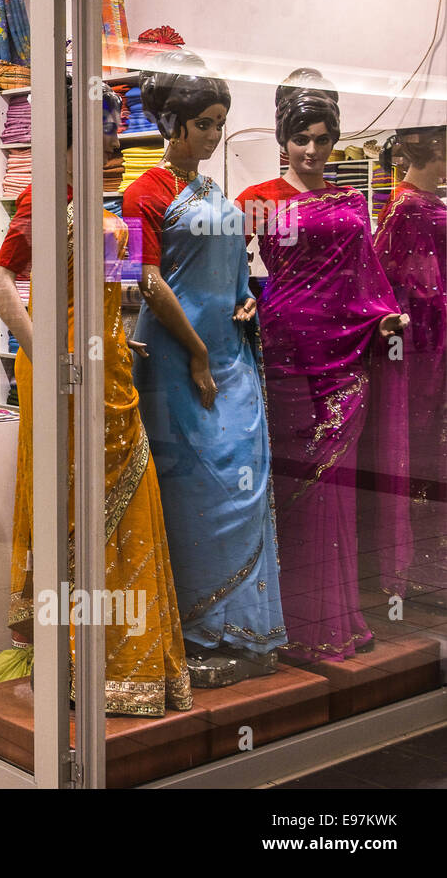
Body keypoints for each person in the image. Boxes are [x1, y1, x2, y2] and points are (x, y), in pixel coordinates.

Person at [0, 83, 192, 717]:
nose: (119, 132)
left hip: (111, 368)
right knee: (73, 502)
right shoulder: (43, 195)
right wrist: (50, 358)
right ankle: (74, 660)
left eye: (120, 121)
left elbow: (118, 289)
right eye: (107, 122)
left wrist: (125, 340)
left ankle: (126, 662)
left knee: (125, 501)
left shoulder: (108, 201)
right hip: (60, 364)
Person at [236, 70, 410, 662]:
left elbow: (367, 276)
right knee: (293, 486)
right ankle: (284, 622)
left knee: (333, 484)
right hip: (287, 353)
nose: (312, 151)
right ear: (282, 139)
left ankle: (335, 616)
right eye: (301, 139)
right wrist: (241, 298)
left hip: (346, 355)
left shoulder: (349, 200)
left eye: (323, 140)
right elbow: (224, 267)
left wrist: (386, 318)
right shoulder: (258, 200)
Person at [124, 52, 286, 684]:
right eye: (205, 124)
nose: (214, 135)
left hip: (230, 353)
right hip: (175, 356)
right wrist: (192, 350)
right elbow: (144, 277)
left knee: (243, 487)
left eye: (220, 123)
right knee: (196, 491)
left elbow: (231, 266)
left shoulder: (215, 192)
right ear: (174, 124)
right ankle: (194, 631)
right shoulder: (143, 192)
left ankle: (242, 630)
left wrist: (246, 293)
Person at [373, 125, 447, 598]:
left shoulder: (425, 203)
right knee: (424, 445)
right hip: (423, 346)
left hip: (432, 341)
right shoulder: (407, 207)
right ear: (433, 149)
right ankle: (421, 567)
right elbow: (390, 273)